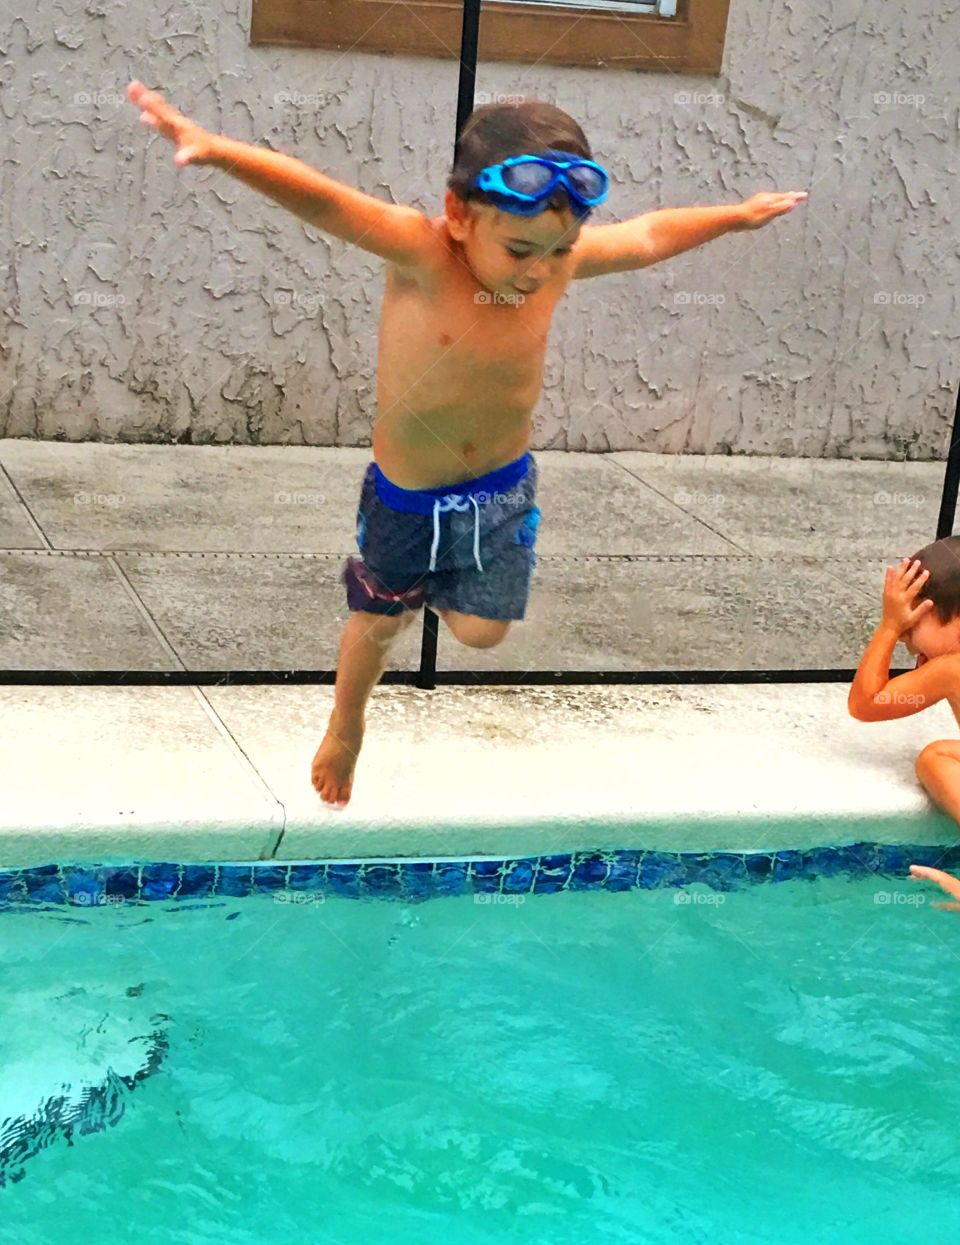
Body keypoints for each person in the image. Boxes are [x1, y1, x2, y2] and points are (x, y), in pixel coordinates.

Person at [127, 81, 807, 805]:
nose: (540, 269)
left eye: (558, 249)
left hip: (498, 490)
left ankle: (441, 585)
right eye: (520, 249)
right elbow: (323, 200)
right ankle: (347, 724)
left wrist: (733, 217)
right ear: (458, 215)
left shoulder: (557, 260)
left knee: (483, 633)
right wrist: (218, 150)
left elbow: (645, 236)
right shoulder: (419, 252)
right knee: (376, 620)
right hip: (407, 497)